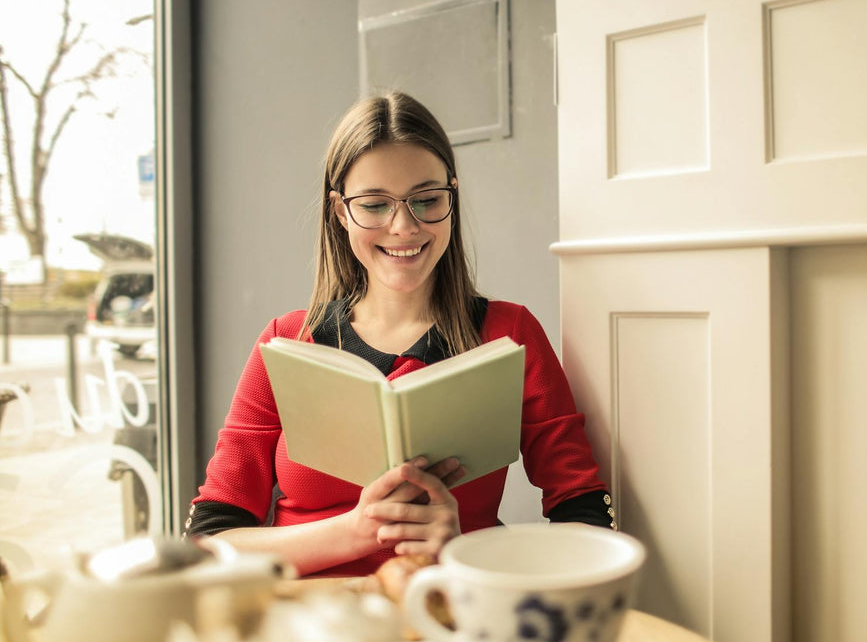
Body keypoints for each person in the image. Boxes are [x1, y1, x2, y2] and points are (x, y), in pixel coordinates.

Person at [185, 92, 613, 577]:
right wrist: (358, 531)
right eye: (374, 205)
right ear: (339, 212)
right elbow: (209, 541)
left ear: (452, 197)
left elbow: (586, 514)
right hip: (311, 626)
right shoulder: (285, 342)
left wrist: (464, 549)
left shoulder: (508, 335)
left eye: (427, 200)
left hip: (446, 614)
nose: (404, 227)